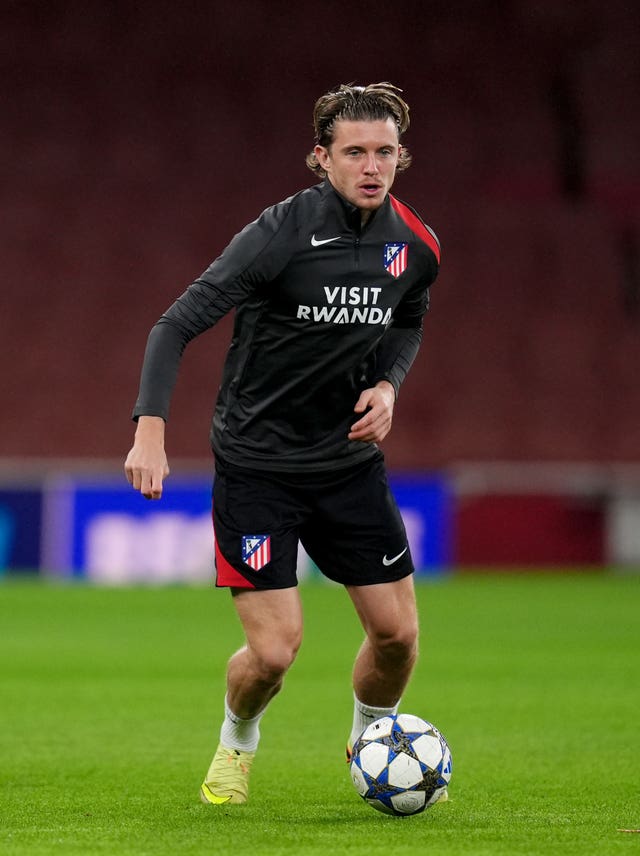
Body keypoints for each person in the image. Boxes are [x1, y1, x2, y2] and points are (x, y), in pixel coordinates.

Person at [125, 81, 442, 805]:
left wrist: (389, 386)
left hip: (348, 466)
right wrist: (149, 428)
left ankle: (372, 744)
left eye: (384, 152)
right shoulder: (279, 234)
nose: (371, 165)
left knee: (397, 637)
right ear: (321, 158)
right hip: (259, 466)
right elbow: (174, 324)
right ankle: (237, 742)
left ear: (401, 157)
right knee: (273, 652)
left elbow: (409, 322)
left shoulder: (414, 246)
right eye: (354, 151)